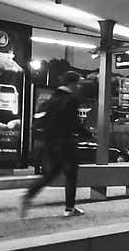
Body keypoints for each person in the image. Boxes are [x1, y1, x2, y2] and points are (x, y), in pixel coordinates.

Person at [19, 71, 89, 217]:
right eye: (78, 83)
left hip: (50, 142)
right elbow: (73, 123)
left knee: (51, 174)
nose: (79, 87)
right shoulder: (71, 100)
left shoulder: (53, 98)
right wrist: (88, 134)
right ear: (72, 83)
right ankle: (70, 208)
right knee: (71, 175)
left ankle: (28, 195)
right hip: (66, 142)